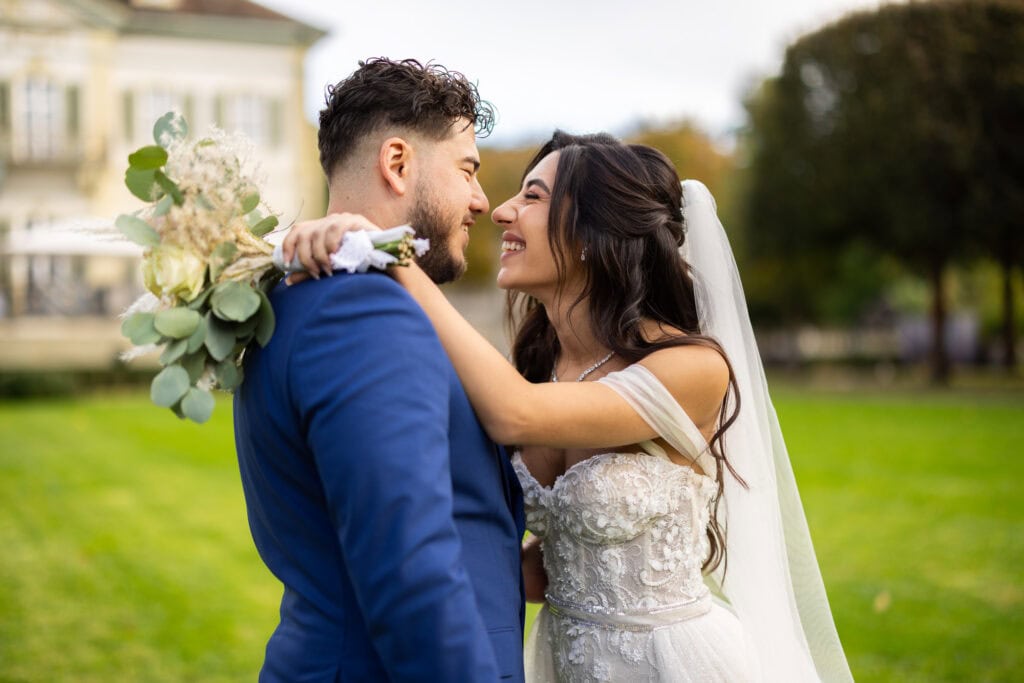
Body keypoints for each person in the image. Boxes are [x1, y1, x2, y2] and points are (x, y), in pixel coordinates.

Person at [285, 130, 855, 681]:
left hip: (674, 666)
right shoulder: (538, 366)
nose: (502, 211)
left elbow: (516, 414)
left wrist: (390, 254)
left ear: (592, 231)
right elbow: (544, 567)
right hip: (568, 661)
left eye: (532, 196)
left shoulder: (692, 368)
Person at [233, 58, 526, 682]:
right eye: (467, 170)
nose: (481, 199)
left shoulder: (292, 298)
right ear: (397, 163)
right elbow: (411, 575)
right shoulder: (361, 310)